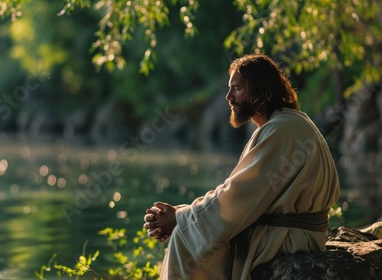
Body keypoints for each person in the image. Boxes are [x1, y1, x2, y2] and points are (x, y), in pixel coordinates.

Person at [143, 54, 340, 279]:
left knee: (184, 237)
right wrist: (184, 213)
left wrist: (181, 219)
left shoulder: (282, 129)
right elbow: (239, 196)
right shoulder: (287, 123)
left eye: (237, 88)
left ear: (260, 91)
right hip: (290, 233)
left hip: (287, 238)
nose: (228, 97)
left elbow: (237, 197)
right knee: (190, 229)